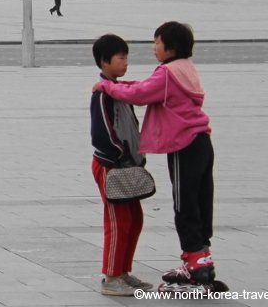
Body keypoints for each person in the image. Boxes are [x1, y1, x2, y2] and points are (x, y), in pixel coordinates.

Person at [93, 21, 216, 288]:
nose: (154, 48)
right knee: (201, 201)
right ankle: (202, 258)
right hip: (202, 143)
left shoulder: (168, 73)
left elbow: (140, 93)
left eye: (157, 43)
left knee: (185, 205)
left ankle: (194, 262)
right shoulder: (185, 68)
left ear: (170, 47)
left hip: (185, 145)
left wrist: (107, 87)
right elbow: (148, 86)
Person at [89, 34, 153, 296]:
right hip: (110, 166)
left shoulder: (118, 90)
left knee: (134, 218)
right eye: (120, 57)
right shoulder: (102, 94)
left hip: (126, 164)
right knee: (117, 221)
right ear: (104, 62)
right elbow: (101, 131)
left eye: (127, 57)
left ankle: (123, 270)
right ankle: (112, 276)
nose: (125, 62)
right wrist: (119, 153)